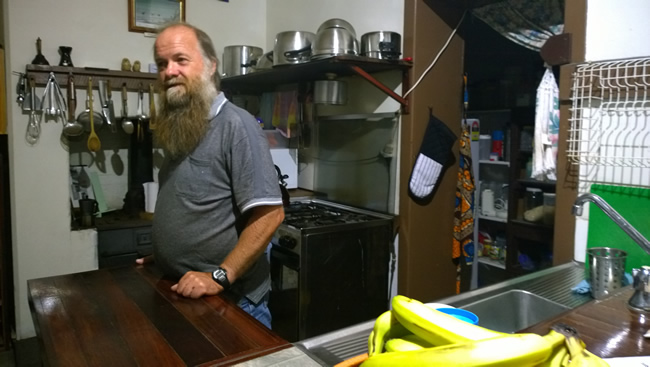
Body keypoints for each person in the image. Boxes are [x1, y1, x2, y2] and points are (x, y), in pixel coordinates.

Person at [136, 22, 284, 329]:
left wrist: (220, 275)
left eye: (181, 60)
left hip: (232, 300)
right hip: (186, 290)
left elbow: (270, 215)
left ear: (211, 66)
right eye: (162, 64)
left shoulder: (236, 125)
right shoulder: (184, 124)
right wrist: (166, 254)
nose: (169, 71)